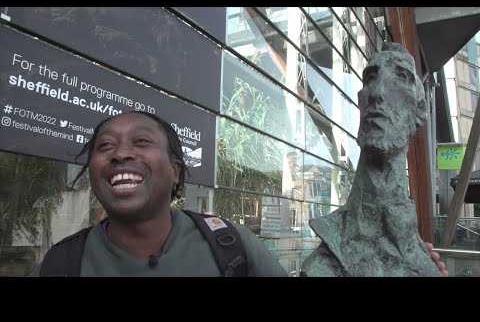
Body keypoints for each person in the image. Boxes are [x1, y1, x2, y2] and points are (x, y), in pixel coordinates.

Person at [34, 105, 447, 277]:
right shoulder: (64, 263)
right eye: (105, 146)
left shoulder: (230, 246)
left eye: (141, 142)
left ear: (176, 172)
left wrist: (389, 260)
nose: (121, 153)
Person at [301, 42, 449, 277]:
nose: (378, 92)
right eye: (371, 78)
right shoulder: (322, 266)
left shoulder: (413, 245)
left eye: (401, 77)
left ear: (419, 110)